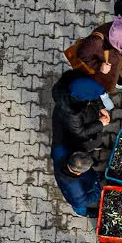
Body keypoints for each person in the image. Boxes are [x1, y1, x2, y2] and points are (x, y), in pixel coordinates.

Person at [50, 70, 109, 216]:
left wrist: (100, 107)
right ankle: (84, 214)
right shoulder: (74, 188)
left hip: (66, 148)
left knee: (88, 170)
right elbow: (83, 200)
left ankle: (95, 176)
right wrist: (97, 190)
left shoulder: (75, 87)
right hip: (80, 200)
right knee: (80, 207)